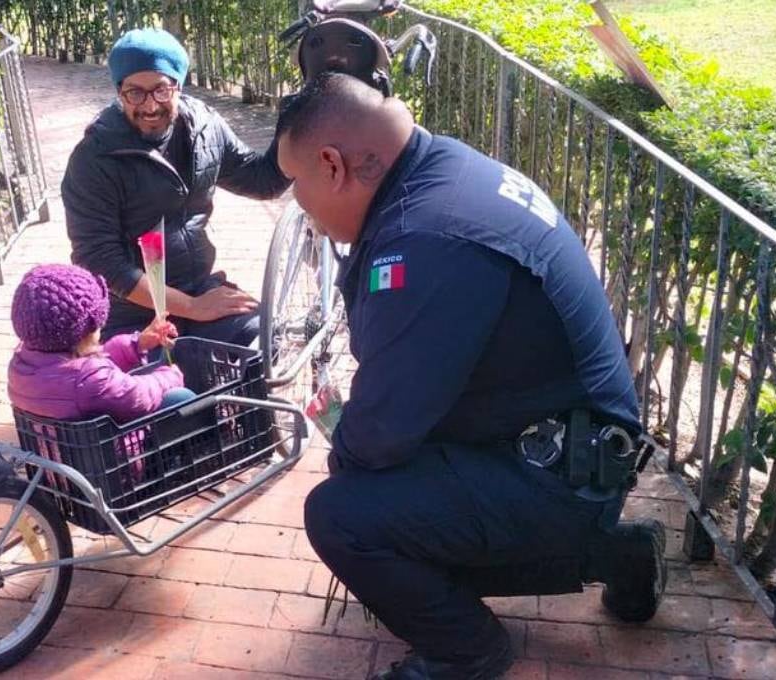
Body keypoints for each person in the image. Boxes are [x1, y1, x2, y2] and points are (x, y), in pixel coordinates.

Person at [275, 72, 666, 680]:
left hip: (555, 473)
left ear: (332, 165)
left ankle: (466, 650)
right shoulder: (444, 168)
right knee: (387, 501)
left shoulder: (426, 237)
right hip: (572, 447)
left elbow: (384, 429)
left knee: (344, 516)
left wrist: (350, 460)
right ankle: (616, 553)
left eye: (296, 185)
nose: (303, 207)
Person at [61, 28, 290, 347]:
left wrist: (297, 125)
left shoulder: (206, 128)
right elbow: (99, 259)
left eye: (161, 90)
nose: (150, 106)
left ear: (179, 86)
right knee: (168, 395)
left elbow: (262, 180)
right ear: (119, 91)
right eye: (134, 93)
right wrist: (192, 307)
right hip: (131, 314)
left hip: (198, 289)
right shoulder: (94, 158)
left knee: (264, 345)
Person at [6, 264, 194, 425]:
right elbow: (139, 395)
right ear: (85, 332)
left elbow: (91, 373)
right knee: (180, 398)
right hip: (118, 460)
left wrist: (136, 344)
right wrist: (168, 377)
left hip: (59, 458)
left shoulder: (22, 366)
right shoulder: (89, 381)